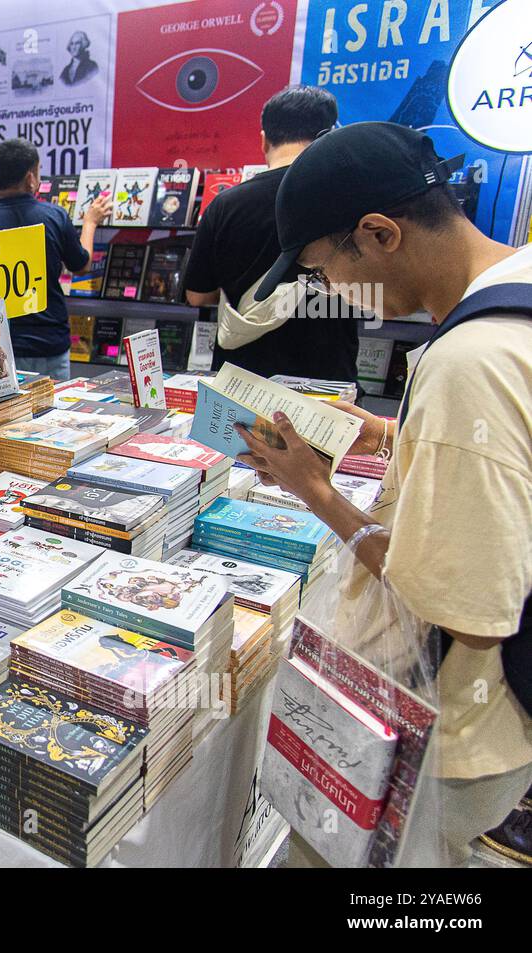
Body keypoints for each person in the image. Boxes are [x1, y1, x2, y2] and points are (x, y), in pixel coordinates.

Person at [236, 122, 532, 867]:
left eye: (325, 269)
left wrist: (318, 493)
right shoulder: (511, 297)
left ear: (378, 234)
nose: (331, 291)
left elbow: (464, 611)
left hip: (451, 732)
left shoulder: (470, 361)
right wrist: (393, 435)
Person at [183, 85, 360, 382]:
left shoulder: (225, 205)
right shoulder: (351, 199)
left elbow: (197, 296)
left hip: (242, 378)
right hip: (327, 380)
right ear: (328, 135)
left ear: (264, 140)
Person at [0, 138, 111, 382]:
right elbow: (82, 264)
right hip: (50, 345)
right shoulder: (54, 217)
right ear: (30, 178)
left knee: (2, 418)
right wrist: (90, 222)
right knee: (54, 416)